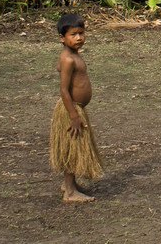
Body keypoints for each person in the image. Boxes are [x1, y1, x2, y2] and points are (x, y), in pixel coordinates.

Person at [50, 13, 103, 202]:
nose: (79, 38)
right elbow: (64, 90)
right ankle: (70, 192)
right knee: (71, 150)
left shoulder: (74, 54)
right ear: (62, 38)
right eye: (73, 34)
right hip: (71, 110)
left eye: (81, 33)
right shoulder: (67, 59)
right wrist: (73, 116)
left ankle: (69, 185)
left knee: (74, 147)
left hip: (76, 108)